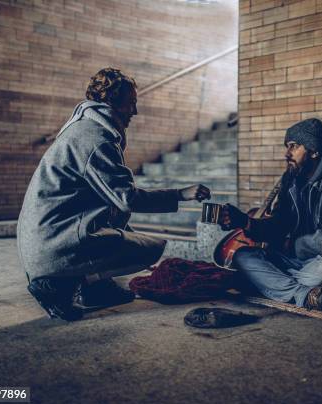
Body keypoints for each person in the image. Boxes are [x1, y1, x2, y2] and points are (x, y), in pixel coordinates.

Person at [17, 68, 211, 321]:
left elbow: (112, 203)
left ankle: (95, 289)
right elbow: (127, 198)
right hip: (51, 247)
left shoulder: (81, 128)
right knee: (149, 249)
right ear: (112, 102)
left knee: (117, 218)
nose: (135, 111)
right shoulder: (97, 139)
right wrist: (180, 194)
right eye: (131, 103)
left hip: (42, 239)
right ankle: (60, 285)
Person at [218, 118, 322, 310]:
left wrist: (294, 246)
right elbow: (279, 226)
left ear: (314, 151)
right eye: (286, 147)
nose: (286, 154)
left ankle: (274, 284)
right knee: (243, 256)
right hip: (299, 262)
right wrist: (245, 222)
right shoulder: (291, 181)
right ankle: (306, 294)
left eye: (294, 146)